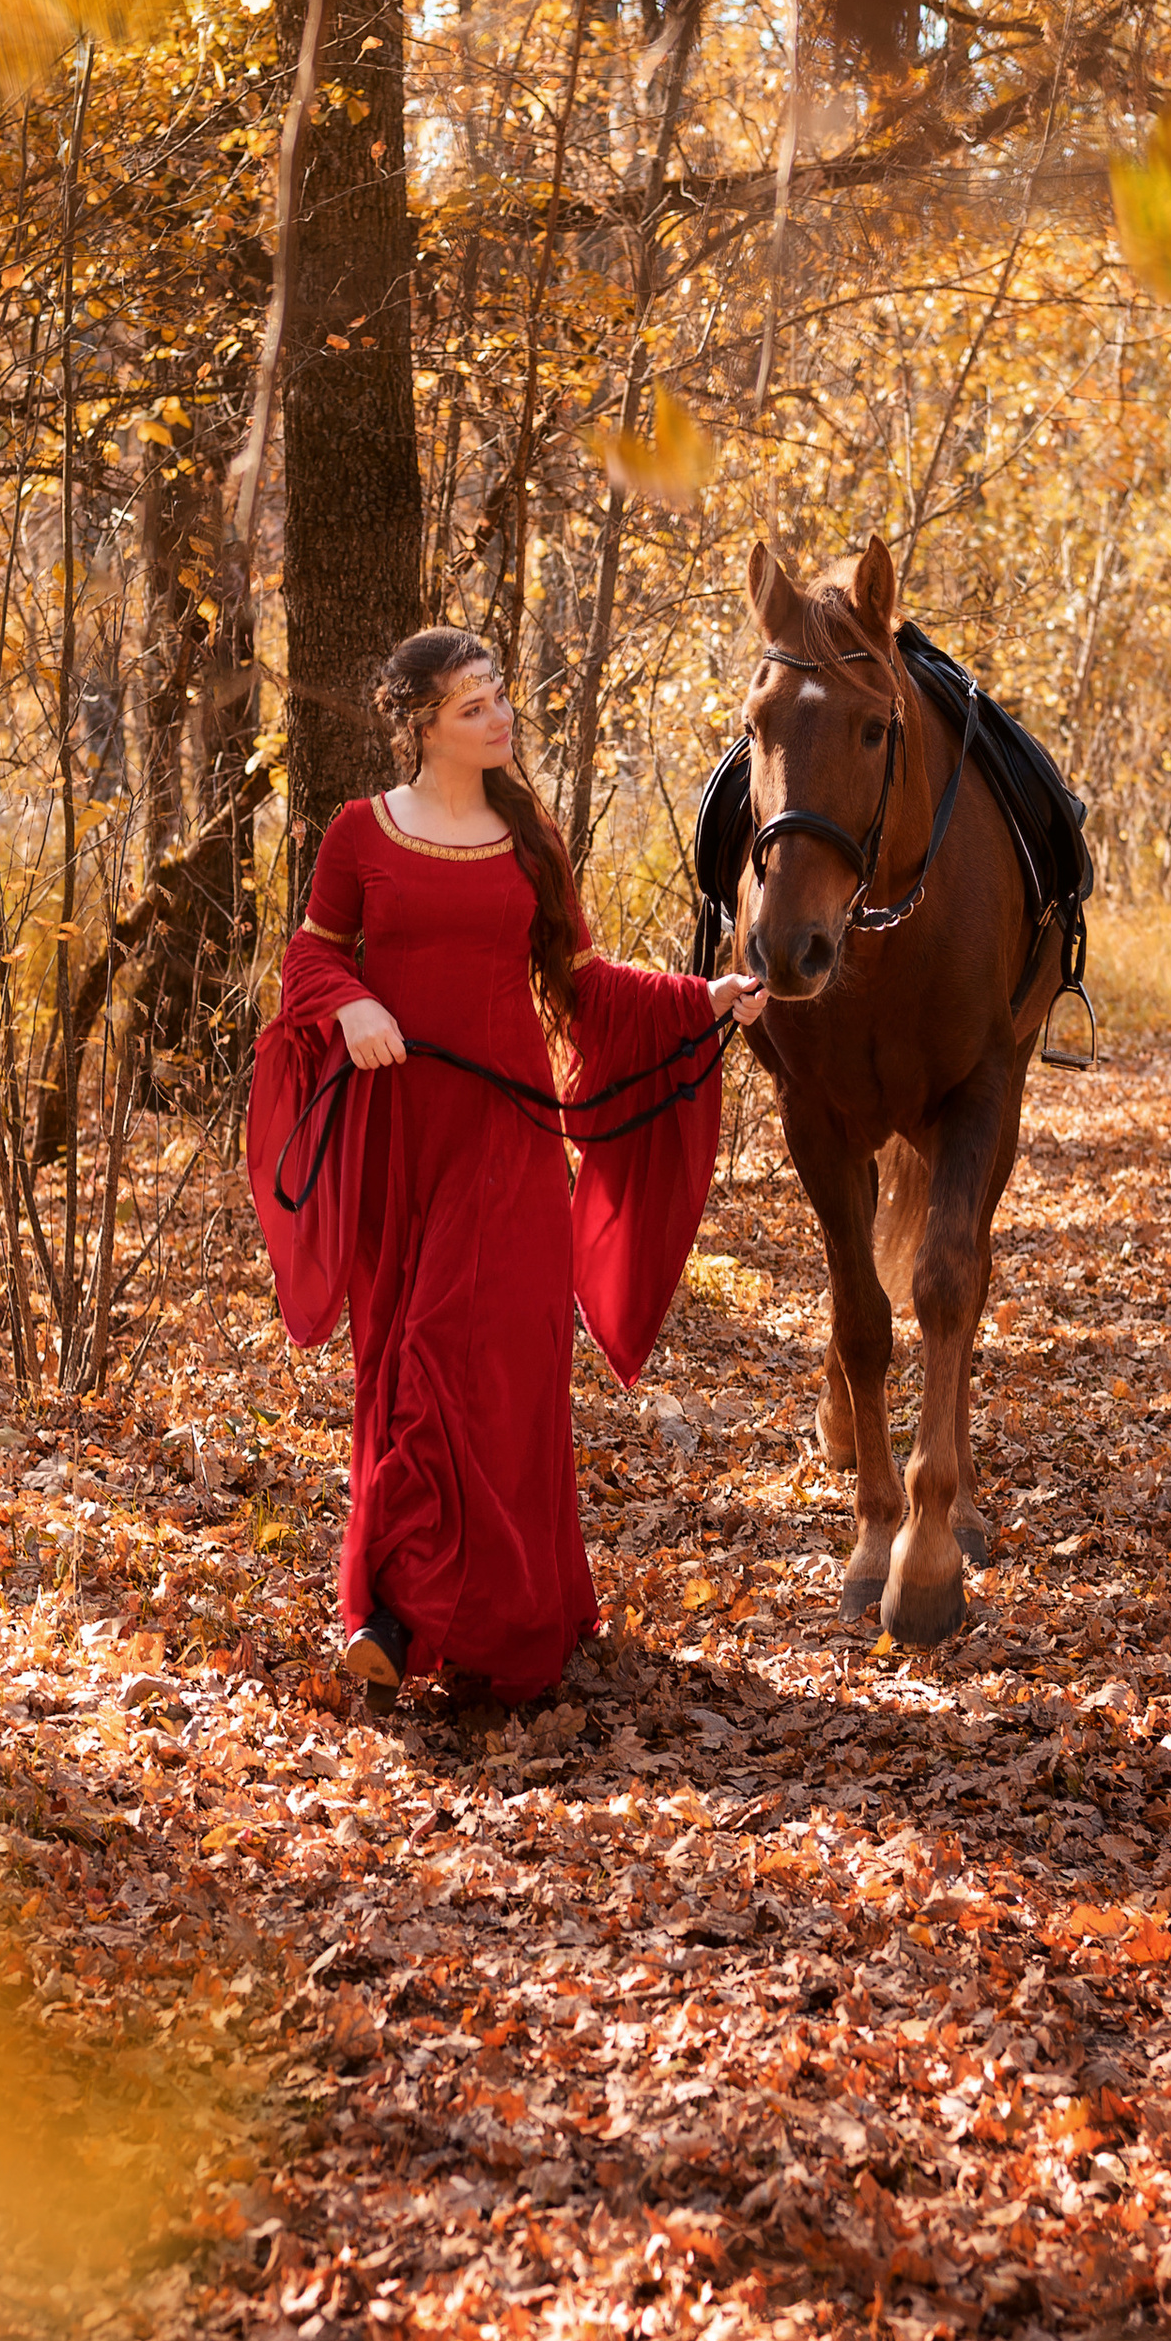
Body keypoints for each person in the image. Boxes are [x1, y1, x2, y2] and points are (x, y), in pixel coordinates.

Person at [246, 627, 766, 1706]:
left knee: (472, 1360)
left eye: (498, 696)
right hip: (400, 1139)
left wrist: (701, 997)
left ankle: (430, 1619)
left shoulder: (530, 837)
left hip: (510, 1139)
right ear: (422, 724)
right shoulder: (360, 833)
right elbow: (310, 955)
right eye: (473, 705)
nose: (499, 717)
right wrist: (351, 1005)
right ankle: (400, 1610)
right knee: (399, 1362)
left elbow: (587, 985)